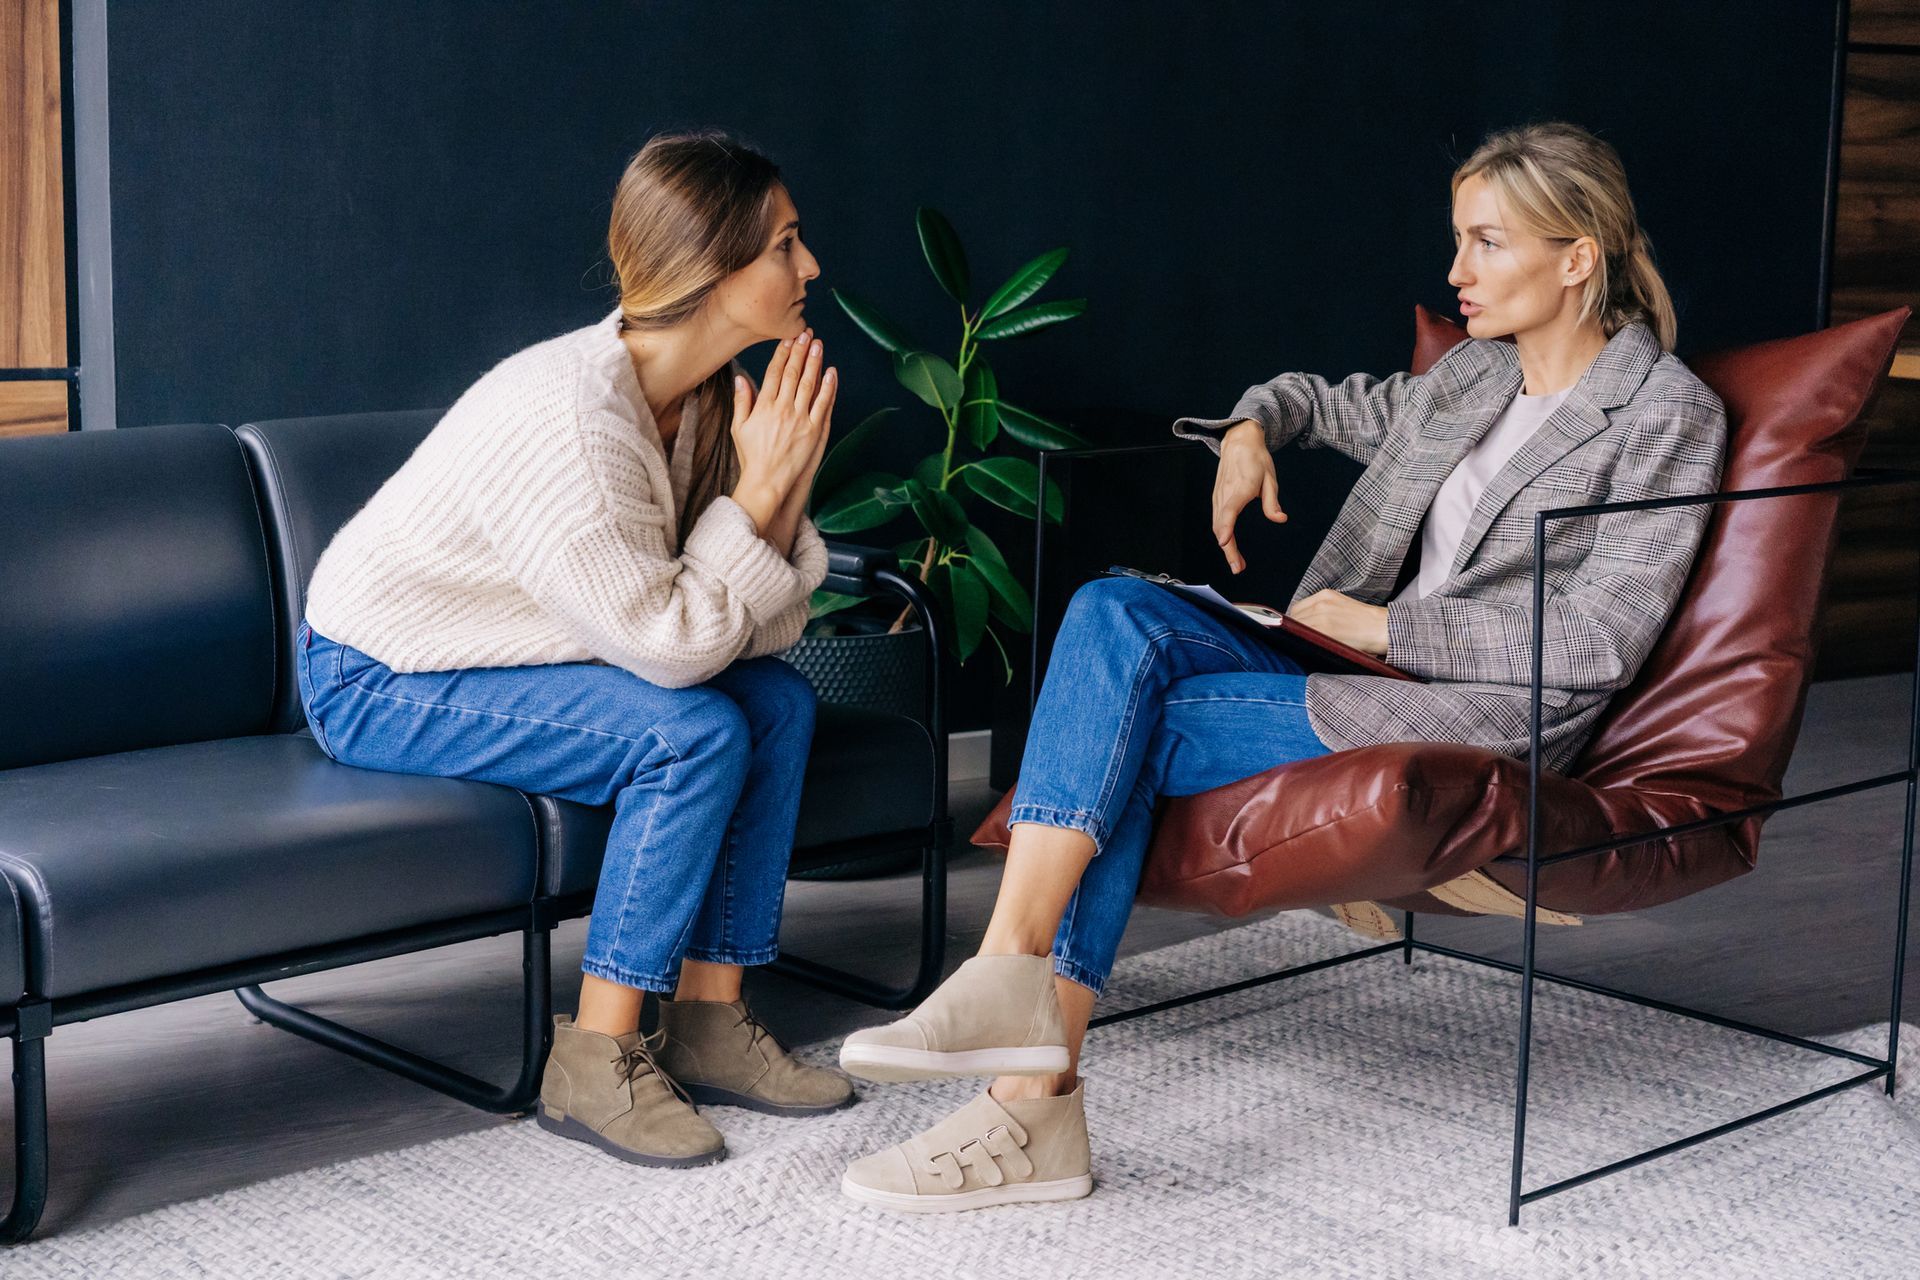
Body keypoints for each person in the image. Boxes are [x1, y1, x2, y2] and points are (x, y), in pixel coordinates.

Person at [837, 121, 1729, 1211]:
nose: (1456, 270)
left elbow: (1600, 639)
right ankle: (1012, 1001)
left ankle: (1028, 1083)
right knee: (1114, 608)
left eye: (1487, 242)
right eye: (1458, 239)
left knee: (1136, 725)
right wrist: (1252, 427)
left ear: (1578, 255)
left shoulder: (1663, 413)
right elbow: (1317, 396)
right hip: (1350, 662)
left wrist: (1390, 631)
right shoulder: (1473, 377)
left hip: (1480, 709)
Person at [297, 131, 852, 1169]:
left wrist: (771, 489)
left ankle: (709, 1016)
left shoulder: (708, 399)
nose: (810, 265)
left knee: (778, 702)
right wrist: (764, 492)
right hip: (378, 670)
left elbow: (769, 620)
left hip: (522, 650)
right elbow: (679, 648)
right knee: (690, 734)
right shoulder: (576, 424)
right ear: (712, 266)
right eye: (786, 243)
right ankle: (595, 1055)